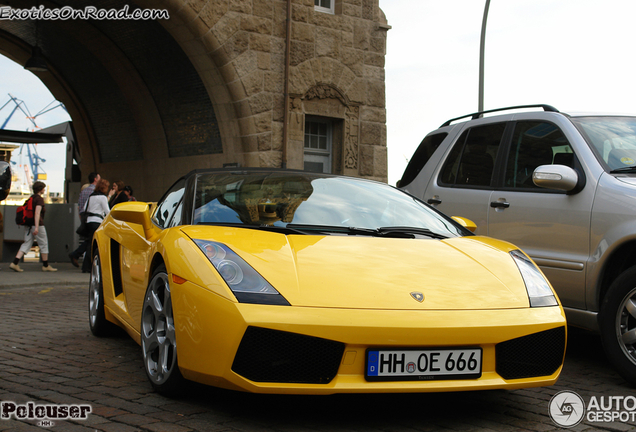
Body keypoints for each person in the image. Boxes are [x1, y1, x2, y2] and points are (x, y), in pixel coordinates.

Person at [9, 181, 57, 272]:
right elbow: (37, 213)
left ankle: (15, 263)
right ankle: (45, 265)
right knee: (44, 243)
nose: (44, 190)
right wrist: (37, 227)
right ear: (40, 189)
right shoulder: (39, 199)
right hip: (37, 225)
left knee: (26, 243)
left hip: (28, 225)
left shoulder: (31, 198)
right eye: (43, 188)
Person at [77, 178, 111, 273]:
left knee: (89, 243)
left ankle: (79, 258)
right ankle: (87, 267)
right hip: (97, 221)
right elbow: (107, 211)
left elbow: (84, 208)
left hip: (88, 221)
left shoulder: (91, 196)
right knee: (93, 245)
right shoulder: (102, 197)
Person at [69, 172, 100, 267]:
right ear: (95, 179)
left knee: (89, 240)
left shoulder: (83, 191)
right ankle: (78, 256)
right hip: (93, 218)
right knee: (91, 240)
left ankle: (77, 255)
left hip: (84, 217)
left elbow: (79, 207)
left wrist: (81, 218)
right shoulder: (94, 192)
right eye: (99, 178)